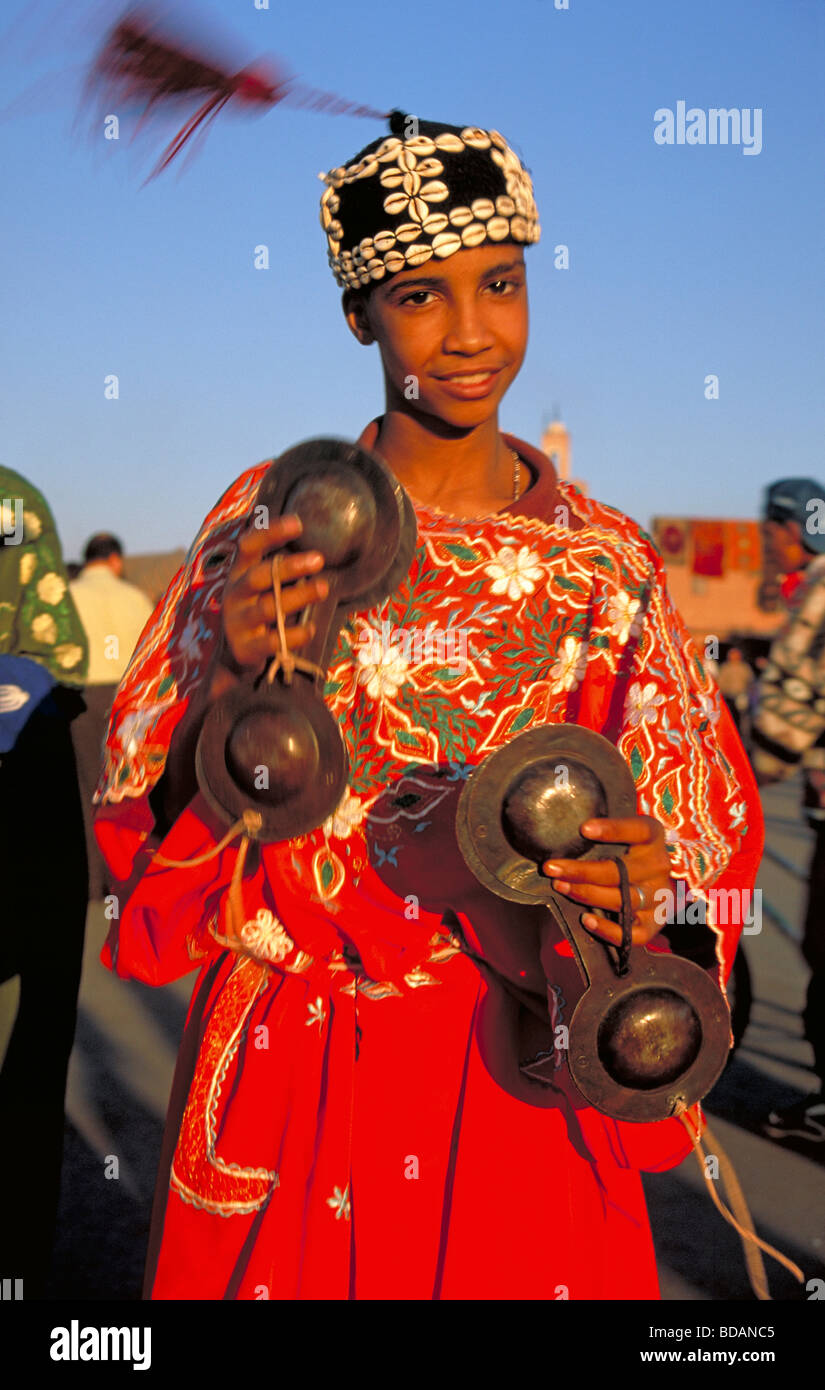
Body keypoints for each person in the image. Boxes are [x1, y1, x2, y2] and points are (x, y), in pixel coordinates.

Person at [94, 114, 762, 1300]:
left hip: (514, 1071)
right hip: (301, 1067)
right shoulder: (275, 518)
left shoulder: (605, 564)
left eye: (499, 285)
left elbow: (706, 847)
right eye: (419, 295)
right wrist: (235, 690)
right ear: (358, 314)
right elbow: (137, 810)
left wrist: (637, 892)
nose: (470, 334)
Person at [0, 467, 89, 1298]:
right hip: (26, 765)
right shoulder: (12, 502)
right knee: (38, 1039)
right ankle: (17, 1262)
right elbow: (61, 657)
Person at [751, 477, 825, 1144]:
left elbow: (789, 713)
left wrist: (744, 767)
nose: (763, 543)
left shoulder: (820, 591)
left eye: (768, 529)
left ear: (791, 530)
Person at [69, 533, 154, 899]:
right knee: (126, 792)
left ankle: (93, 886)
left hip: (81, 701)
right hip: (127, 702)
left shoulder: (67, 597)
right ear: (115, 561)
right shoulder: (134, 598)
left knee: (87, 792)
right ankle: (128, 880)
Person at [717, 646, 754, 742]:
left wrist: (747, 695)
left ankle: (741, 738)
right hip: (729, 698)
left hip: (742, 697)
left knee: (742, 720)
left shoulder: (744, 668)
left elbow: (750, 682)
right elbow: (720, 683)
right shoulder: (725, 668)